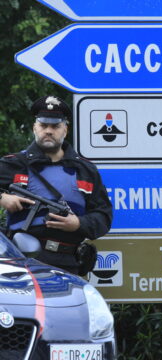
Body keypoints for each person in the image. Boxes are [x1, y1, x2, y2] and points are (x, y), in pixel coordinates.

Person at [0, 95, 112, 274]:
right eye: (43, 125)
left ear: (65, 130)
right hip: (22, 262)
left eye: (55, 126)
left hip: (68, 263)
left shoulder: (86, 170)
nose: (49, 131)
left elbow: (104, 216)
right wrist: (3, 198)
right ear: (34, 128)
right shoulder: (14, 164)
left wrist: (78, 224)